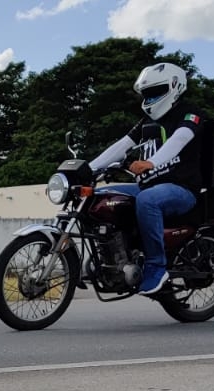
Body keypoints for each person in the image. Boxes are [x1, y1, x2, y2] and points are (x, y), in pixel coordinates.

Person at [89, 62, 206, 295]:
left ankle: (156, 266)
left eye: (155, 92)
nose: (150, 98)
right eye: (147, 94)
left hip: (181, 189)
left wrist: (152, 162)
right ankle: (114, 258)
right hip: (147, 186)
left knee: (148, 200)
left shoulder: (190, 113)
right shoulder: (147, 121)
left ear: (174, 86)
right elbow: (121, 146)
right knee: (100, 196)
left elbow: (180, 139)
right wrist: (86, 169)